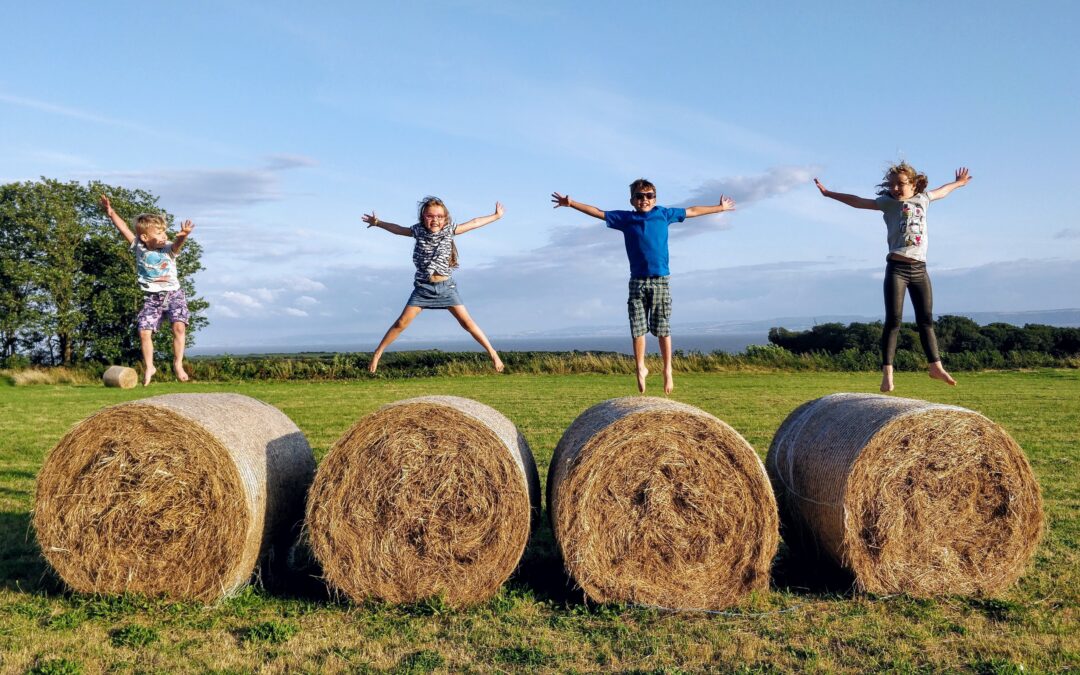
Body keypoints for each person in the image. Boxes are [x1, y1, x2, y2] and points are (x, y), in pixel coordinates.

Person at [551, 179, 735, 394]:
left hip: (660, 280)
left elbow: (692, 210)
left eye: (649, 196)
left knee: (662, 329)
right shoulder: (626, 219)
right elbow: (598, 212)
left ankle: (667, 369)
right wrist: (571, 204)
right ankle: (640, 367)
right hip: (637, 281)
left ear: (654, 198)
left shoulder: (663, 214)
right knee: (637, 328)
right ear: (632, 200)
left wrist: (720, 208)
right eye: (639, 196)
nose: (644, 199)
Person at [814, 162, 972, 392]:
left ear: (913, 184)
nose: (896, 188)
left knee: (926, 320)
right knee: (893, 321)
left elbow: (943, 190)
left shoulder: (924, 199)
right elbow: (857, 201)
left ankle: (935, 367)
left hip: (920, 269)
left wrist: (959, 183)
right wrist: (829, 193)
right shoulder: (887, 203)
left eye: (901, 184)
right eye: (892, 184)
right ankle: (888, 374)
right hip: (897, 269)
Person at [363, 196, 505, 373]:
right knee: (401, 323)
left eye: (439, 216)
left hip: (446, 288)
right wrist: (378, 223)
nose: (435, 220)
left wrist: (496, 216)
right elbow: (398, 229)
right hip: (423, 288)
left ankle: (493, 354)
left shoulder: (449, 230)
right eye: (430, 216)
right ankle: (377, 353)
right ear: (423, 217)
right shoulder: (418, 231)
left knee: (467, 323)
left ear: (445, 218)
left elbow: (474, 222)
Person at [99, 195, 194, 386]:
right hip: (153, 298)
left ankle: (178, 364)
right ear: (145, 237)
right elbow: (124, 228)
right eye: (159, 233)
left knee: (179, 327)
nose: (164, 236)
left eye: (164, 232)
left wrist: (183, 235)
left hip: (174, 294)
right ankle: (150, 366)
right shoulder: (139, 247)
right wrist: (111, 212)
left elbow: (177, 244)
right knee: (144, 332)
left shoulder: (168, 249)